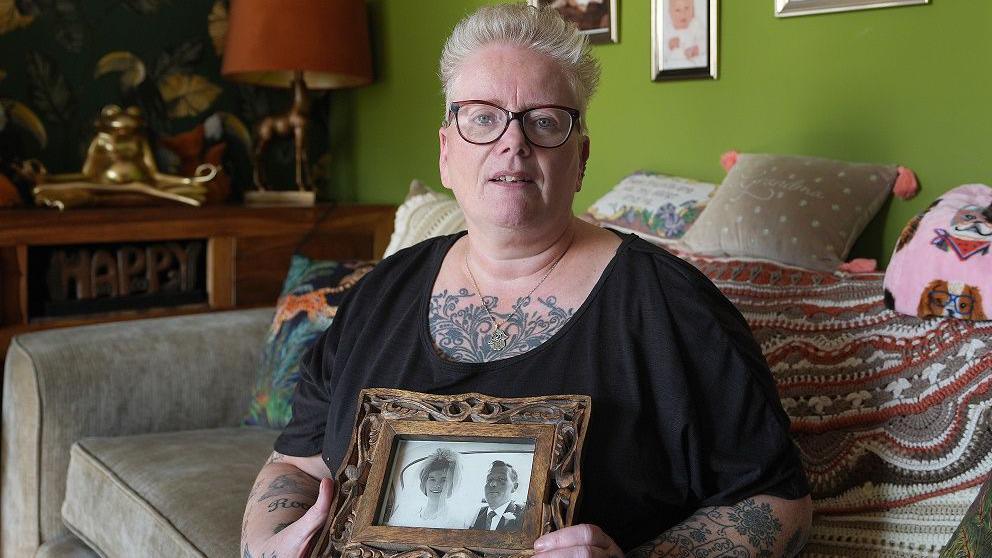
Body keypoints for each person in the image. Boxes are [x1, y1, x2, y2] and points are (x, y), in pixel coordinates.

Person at [240, 5, 813, 558]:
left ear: (581, 156)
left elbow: (779, 502)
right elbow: (295, 464)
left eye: (543, 121)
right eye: (483, 118)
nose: (513, 143)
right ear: (446, 152)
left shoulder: (671, 308)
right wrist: (268, 546)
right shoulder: (377, 297)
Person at [383, 448, 463, 529]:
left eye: (443, 480)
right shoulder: (408, 514)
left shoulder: (455, 522)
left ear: (451, 485)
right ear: (425, 482)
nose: (437, 485)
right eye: (432, 479)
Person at [467, 461, 525, 532]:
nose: (492, 484)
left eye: (501, 479)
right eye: (489, 479)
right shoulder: (474, 515)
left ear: (514, 487)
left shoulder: (524, 515)